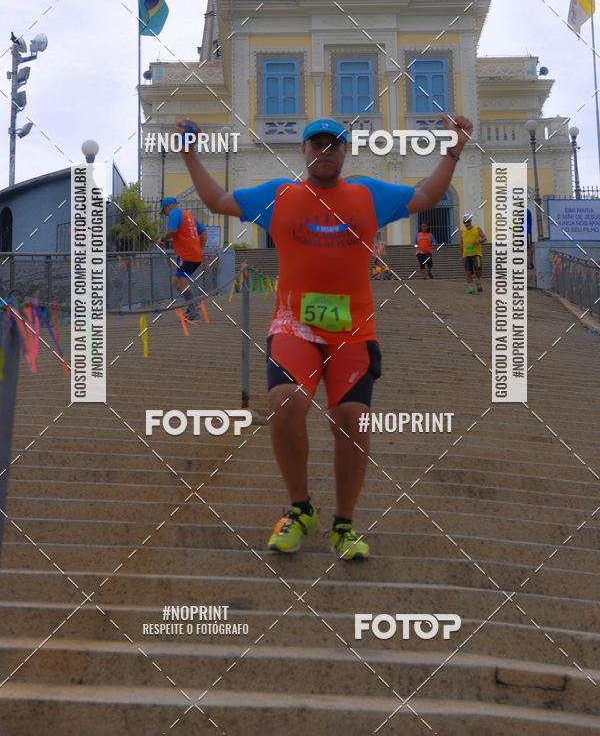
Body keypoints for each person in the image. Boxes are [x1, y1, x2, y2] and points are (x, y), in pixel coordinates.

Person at [179, 114, 472, 559]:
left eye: (334, 144)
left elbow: (427, 196)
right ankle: (300, 510)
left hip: (352, 331)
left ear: (345, 151)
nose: (325, 151)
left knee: (351, 420)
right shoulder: (280, 195)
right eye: (317, 144)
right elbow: (217, 200)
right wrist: (188, 155)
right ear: (303, 150)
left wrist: (453, 150)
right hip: (293, 326)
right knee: (284, 404)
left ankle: (344, 525)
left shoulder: (367, 194)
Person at [158, 196, 207, 319]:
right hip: (194, 255)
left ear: (167, 207)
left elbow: (173, 231)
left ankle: (194, 311)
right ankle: (192, 305)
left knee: (181, 281)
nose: (165, 214)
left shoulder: (174, 213)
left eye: (164, 211)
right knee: (176, 282)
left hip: (187, 255)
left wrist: (162, 239)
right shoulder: (188, 215)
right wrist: (200, 249)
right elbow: (203, 231)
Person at [460, 213, 487, 293]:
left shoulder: (477, 228)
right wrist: (461, 255)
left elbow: (485, 238)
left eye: (468, 222)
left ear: (471, 221)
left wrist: (478, 241)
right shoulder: (462, 231)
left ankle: (478, 281)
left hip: (476, 254)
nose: (466, 224)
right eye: (464, 222)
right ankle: (471, 288)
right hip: (466, 255)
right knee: (468, 272)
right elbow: (461, 244)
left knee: (478, 271)